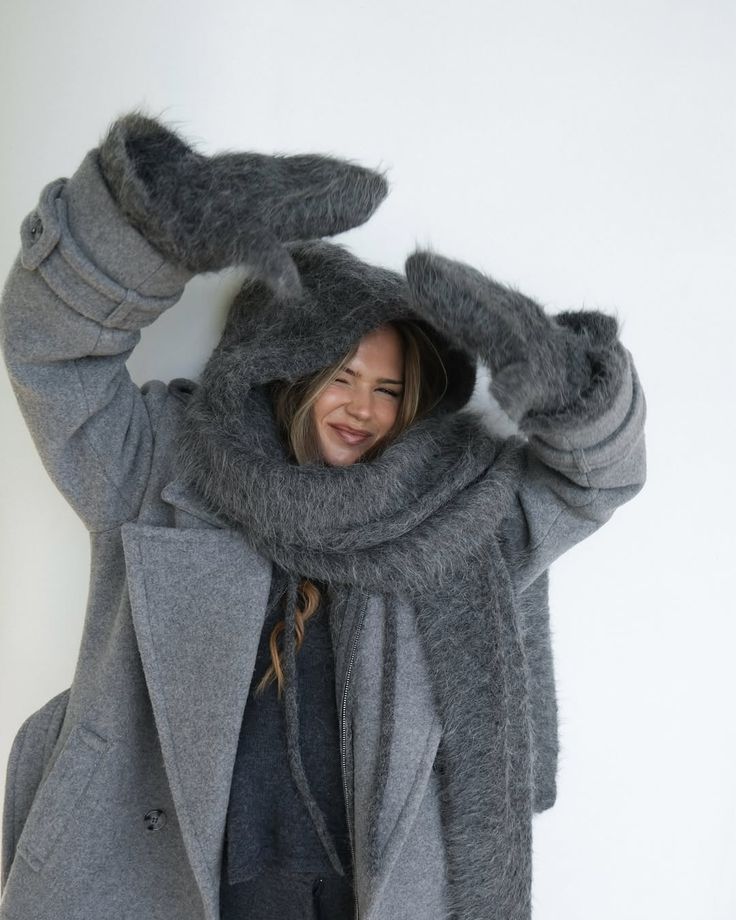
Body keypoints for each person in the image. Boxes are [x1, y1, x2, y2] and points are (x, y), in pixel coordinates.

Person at [0, 111, 647, 920]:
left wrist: (564, 384)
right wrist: (149, 226)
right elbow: (48, 352)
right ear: (284, 369)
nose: (362, 408)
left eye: (388, 389)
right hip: (165, 872)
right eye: (342, 374)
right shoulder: (164, 466)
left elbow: (597, 482)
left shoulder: (448, 511)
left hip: (364, 890)